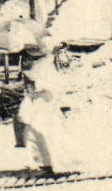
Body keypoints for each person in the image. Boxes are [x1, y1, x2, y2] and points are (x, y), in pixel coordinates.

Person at [17, 43, 74, 177]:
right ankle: (43, 164)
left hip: (43, 105)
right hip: (40, 104)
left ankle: (48, 164)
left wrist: (31, 85)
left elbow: (44, 88)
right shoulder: (42, 66)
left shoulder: (43, 67)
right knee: (36, 134)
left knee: (43, 133)